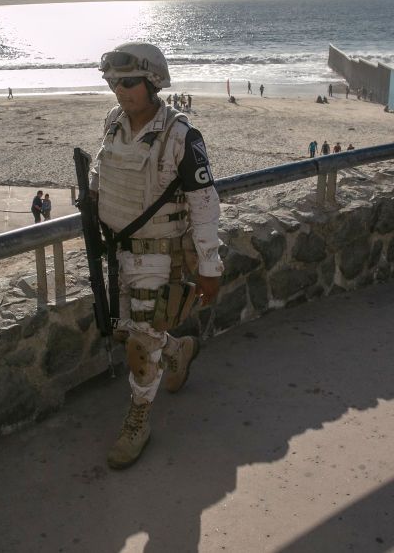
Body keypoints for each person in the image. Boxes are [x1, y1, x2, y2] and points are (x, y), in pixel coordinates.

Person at [93, 42, 223, 469]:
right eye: (114, 82)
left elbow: (204, 204)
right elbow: (101, 169)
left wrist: (210, 267)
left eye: (129, 82)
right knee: (133, 329)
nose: (120, 90)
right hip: (120, 253)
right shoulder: (114, 123)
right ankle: (179, 352)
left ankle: (139, 420)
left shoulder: (181, 137)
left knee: (138, 344)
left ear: (153, 83)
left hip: (159, 255)